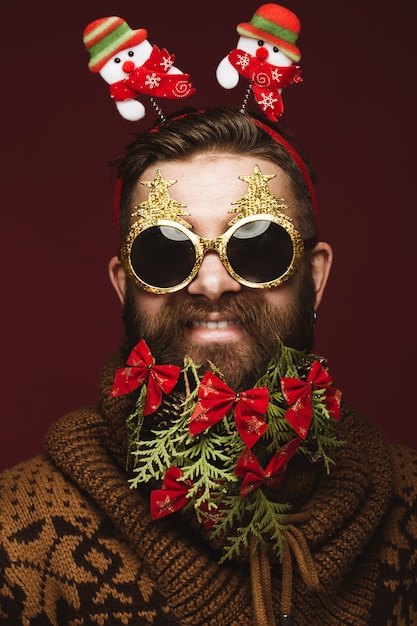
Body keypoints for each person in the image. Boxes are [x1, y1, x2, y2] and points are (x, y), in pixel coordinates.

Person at [1, 104, 416, 625]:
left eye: (259, 246)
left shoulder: (410, 499)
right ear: (123, 284)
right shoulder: (18, 531)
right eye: (165, 252)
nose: (212, 283)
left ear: (317, 277)